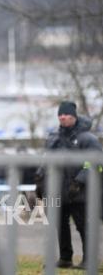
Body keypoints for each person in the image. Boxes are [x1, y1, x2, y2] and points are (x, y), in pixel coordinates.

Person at [35, 101, 102, 269]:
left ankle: (89, 259)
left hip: (80, 191)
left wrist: (80, 180)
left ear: (74, 116)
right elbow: (46, 160)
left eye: (66, 115)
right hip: (57, 190)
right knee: (59, 224)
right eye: (60, 115)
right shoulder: (53, 138)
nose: (63, 117)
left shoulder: (87, 139)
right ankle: (65, 258)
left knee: (83, 226)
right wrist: (39, 179)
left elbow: (93, 163)